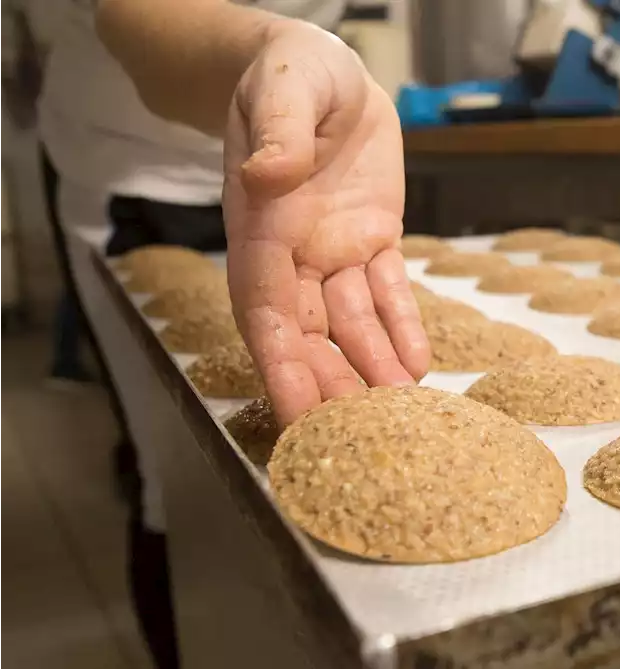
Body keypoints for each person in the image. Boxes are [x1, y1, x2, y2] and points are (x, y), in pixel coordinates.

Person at [37, 1, 431, 666]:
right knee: (172, 470)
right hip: (135, 165)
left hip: (312, 160)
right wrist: (274, 47)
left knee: (314, 425)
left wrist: (329, 83)